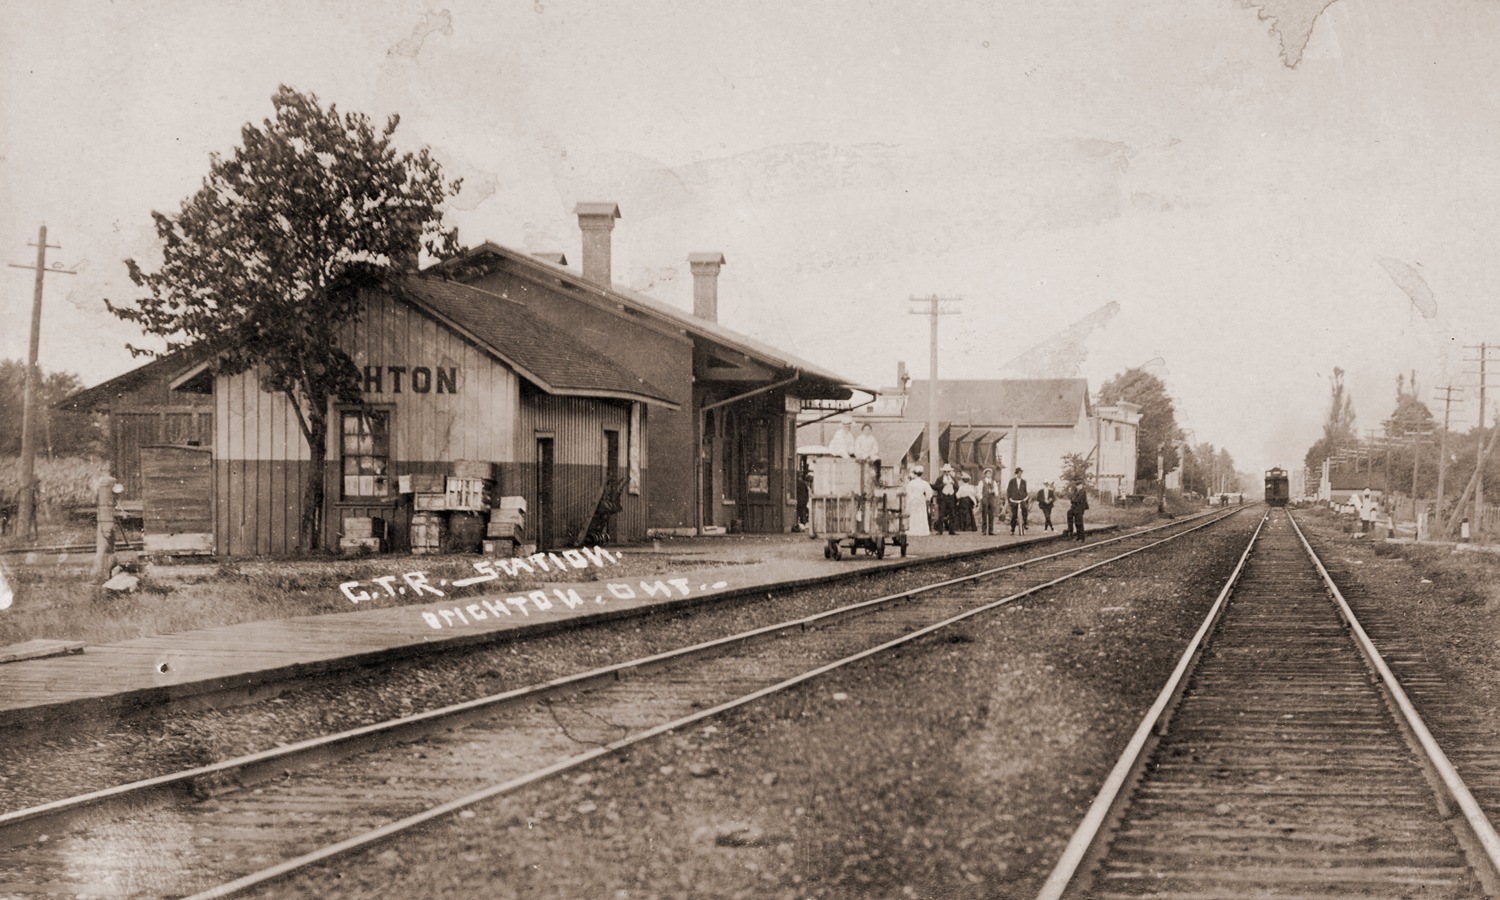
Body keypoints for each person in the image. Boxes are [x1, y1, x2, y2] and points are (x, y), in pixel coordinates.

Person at [905, 466, 933, 537]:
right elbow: (929, 492)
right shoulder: (924, 483)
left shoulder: (911, 483)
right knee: (922, 515)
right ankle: (923, 530)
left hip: (914, 500)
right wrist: (927, 498)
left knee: (914, 516)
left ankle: (914, 530)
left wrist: (910, 499)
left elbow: (908, 493)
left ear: (914, 474)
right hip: (921, 500)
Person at [934, 464, 961, 535]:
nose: (947, 473)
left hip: (951, 498)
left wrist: (953, 485)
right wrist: (943, 484)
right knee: (941, 514)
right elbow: (935, 487)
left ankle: (952, 530)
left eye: (948, 471)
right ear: (943, 472)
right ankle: (940, 530)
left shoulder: (953, 478)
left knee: (952, 514)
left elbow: (957, 487)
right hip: (943, 498)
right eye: (945, 472)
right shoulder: (940, 479)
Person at [977, 468, 1001, 535]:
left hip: (992, 499)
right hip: (985, 499)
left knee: (991, 515)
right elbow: (979, 491)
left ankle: (991, 531)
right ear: (985, 474)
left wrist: (994, 492)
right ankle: (984, 530)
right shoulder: (982, 482)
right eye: (987, 473)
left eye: (990, 473)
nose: (989, 474)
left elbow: (996, 492)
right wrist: (981, 498)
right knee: (984, 514)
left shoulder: (994, 482)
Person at [1006, 467, 1030, 535]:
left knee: (1025, 510)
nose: (1020, 474)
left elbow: (1025, 491)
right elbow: (1008, 491)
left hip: (1022, 499)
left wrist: (1026, 499)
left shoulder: (1024, 482)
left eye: (1021, 473)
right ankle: (1012, 529)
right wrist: (1009, 499)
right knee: (1014, 515)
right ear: (1016, 474)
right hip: (1014, 500)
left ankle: (1025, 524)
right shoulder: (1012, 481)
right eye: (1019, 473)